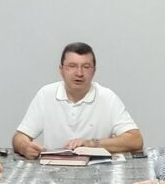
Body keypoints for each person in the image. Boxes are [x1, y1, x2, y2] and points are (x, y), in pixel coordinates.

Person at [12, 42, 143, 158]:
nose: (79, 73)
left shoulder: (107, 97)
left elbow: (136, 140)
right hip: (53, 171)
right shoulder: (46, 94)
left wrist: (91, 144)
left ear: (94, 71)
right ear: (61, 70)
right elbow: (19, 137)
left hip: (97, 172)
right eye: (72, 66)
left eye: (86, 67)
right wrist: (25, 147)